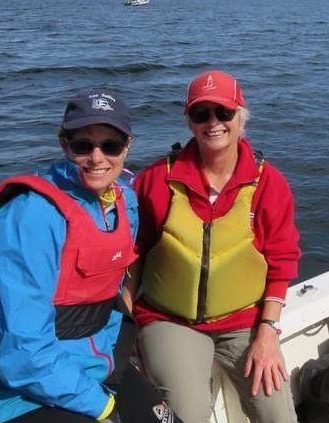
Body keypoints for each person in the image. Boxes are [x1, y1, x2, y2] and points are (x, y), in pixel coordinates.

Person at [0, 89, 176, 422]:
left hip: (93, 363)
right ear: (64, 144)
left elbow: (108, 294)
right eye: (83, 145)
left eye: (110, 145)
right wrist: (102, 406)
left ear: (127, 146)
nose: (97, 158)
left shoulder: (123, 202)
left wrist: (124, 351)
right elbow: (22, 357)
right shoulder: (28, 220)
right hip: (13, 394)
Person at [127, 70, 301, 422]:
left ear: (241, 116)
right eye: (201, 113)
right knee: (185, 416)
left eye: (224, 112)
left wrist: (267, 334)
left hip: (246, 321)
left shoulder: (269, 184)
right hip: (170, 321)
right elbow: (133, 257)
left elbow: (282, 260)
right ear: (189, 121)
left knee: (277, 413)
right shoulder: (155, 180)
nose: (214, 123)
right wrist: (125, 328)